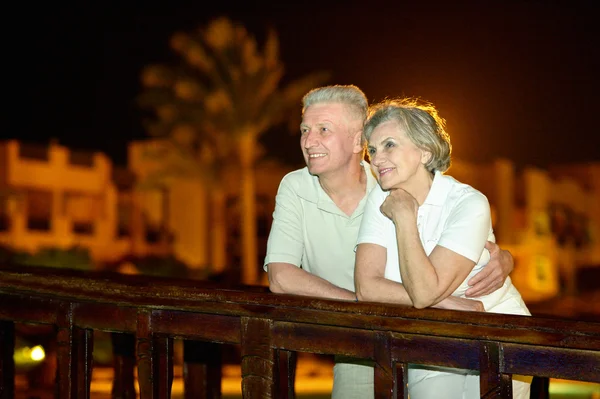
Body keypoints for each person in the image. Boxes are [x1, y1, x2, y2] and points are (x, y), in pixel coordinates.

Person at [264, 85, 515, 398]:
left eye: (323, 129)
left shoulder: (389, 183)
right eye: (305, 129)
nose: (308, 141)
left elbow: (458, 232)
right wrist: (372, 305)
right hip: (364, 341)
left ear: (358, 141)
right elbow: (281, 275)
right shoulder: (297, 187)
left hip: (432, 332)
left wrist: (505, 259)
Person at [354, 98, 531, 398]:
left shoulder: (468, 203)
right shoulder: (378, 199)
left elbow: (424, 291)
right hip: (435, 327)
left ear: (424, 151)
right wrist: (445, 303)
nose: (377, 158)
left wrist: (405, 215)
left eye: (389, 145)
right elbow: (366, 287)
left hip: (495, 325)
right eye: (372, 149)